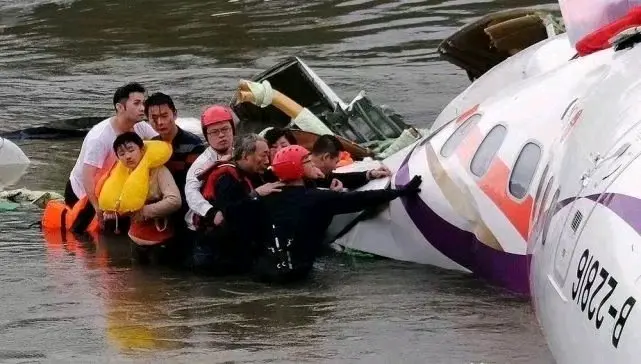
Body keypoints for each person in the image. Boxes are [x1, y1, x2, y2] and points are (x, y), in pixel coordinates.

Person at [221, 145, 422, 283]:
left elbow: (232, 215)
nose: (313, 164)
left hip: (262, 273)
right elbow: (362, 199)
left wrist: (254, 195)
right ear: (298, 168)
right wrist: (401, 191)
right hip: (296, 276)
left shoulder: (267, 195)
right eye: (308, 161)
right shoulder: (318, 199)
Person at [65, 82, 158, 233]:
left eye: (143, 103)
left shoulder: (140, 126)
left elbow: (160, 144)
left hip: (113, 184)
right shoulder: (100, 137)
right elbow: (87, 175)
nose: (143, 108)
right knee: (89, 235)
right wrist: (97, 208)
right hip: (84, 193)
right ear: (120, 107)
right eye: (137, 103)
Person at [191, 133, 283, 274]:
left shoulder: (258, 174)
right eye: (263, 155)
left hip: (240, 250)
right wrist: (256, 194)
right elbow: (228, 214)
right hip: (216, 256)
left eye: (267, 155)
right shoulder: (226, 179)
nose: (267, 160)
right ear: (246, 156)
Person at [100, 132, 181, 253]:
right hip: (134, 237)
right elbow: (123, 204)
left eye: (131, 150)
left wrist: (144, 211)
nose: (127, 156)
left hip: (159, 239)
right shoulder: (122, 174)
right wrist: (114, 212)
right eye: (122, 153)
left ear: (142, 149)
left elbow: (175, 201)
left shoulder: (158, 170)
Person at [144, 92, 205, 229]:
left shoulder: (193, 144)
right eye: (154, 118)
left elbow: (195, 184)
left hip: (186, 206)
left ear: (175, 114)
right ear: (148, 120)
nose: (160, 122)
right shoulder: (151, 146)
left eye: (165, 116)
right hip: (159, 203)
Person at [184, 105, 235, 231]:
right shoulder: (202, 163)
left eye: (225, 129)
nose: (221, 135)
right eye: (214, 132)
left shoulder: (240, 153)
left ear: (233, 130)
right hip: (204, 224)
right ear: (207, 136)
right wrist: (211, 212)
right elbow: (191, 192)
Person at [310, 134, 390, 191]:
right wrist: (332, 197)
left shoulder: (317, 173)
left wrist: (370, 174)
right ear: (326, 157)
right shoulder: (301, 180)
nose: (335, 168)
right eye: (336, 162)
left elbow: (342, 178)